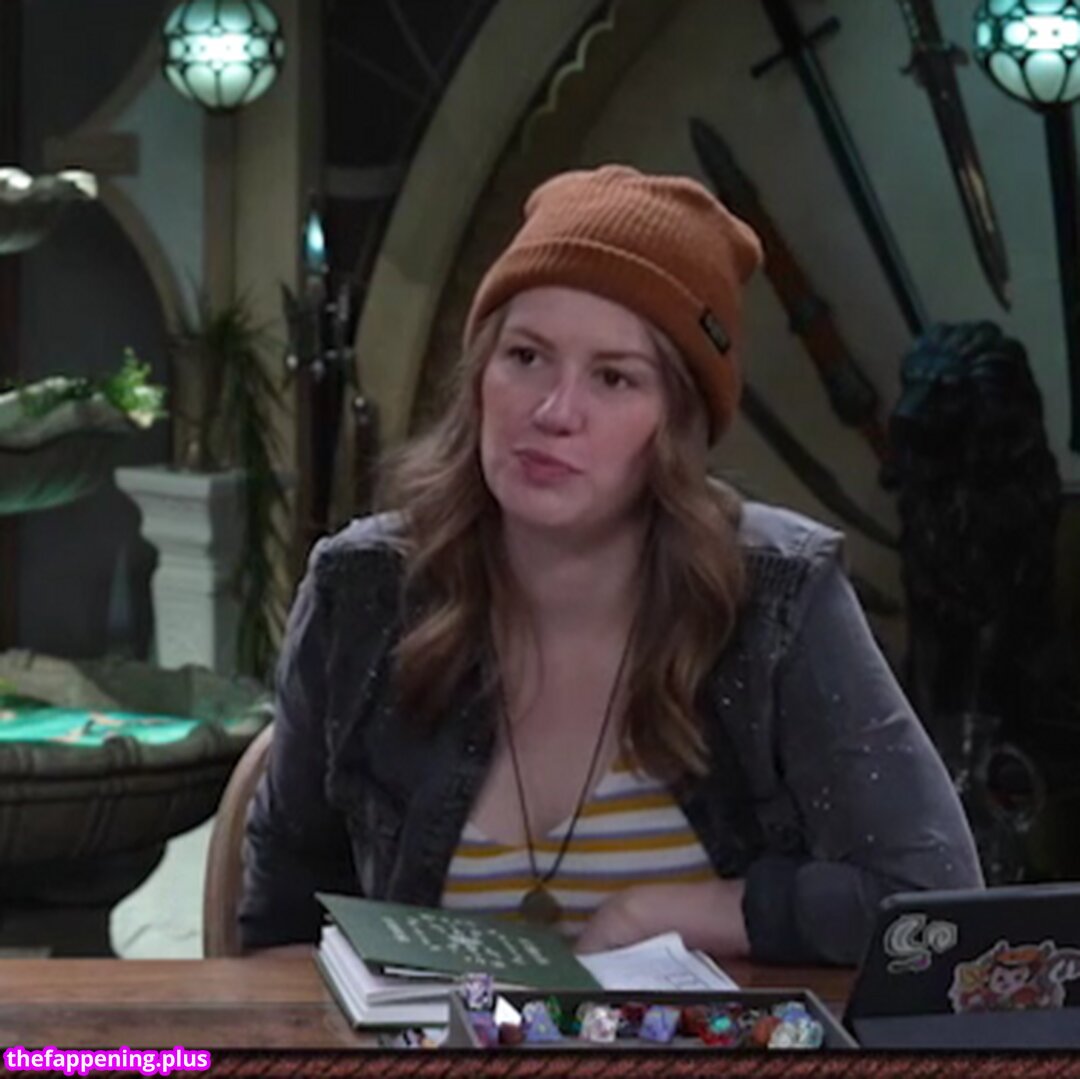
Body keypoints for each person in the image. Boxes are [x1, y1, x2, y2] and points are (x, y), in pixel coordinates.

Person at [239, 165, 982, 965]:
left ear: (678, 421)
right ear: (480, 376)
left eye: (614, 376)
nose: (554, 411)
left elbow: (932, 901)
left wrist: (668, 912)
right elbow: (282, 916)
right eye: (526, 356)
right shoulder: (363, 592)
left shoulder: (778, 599)